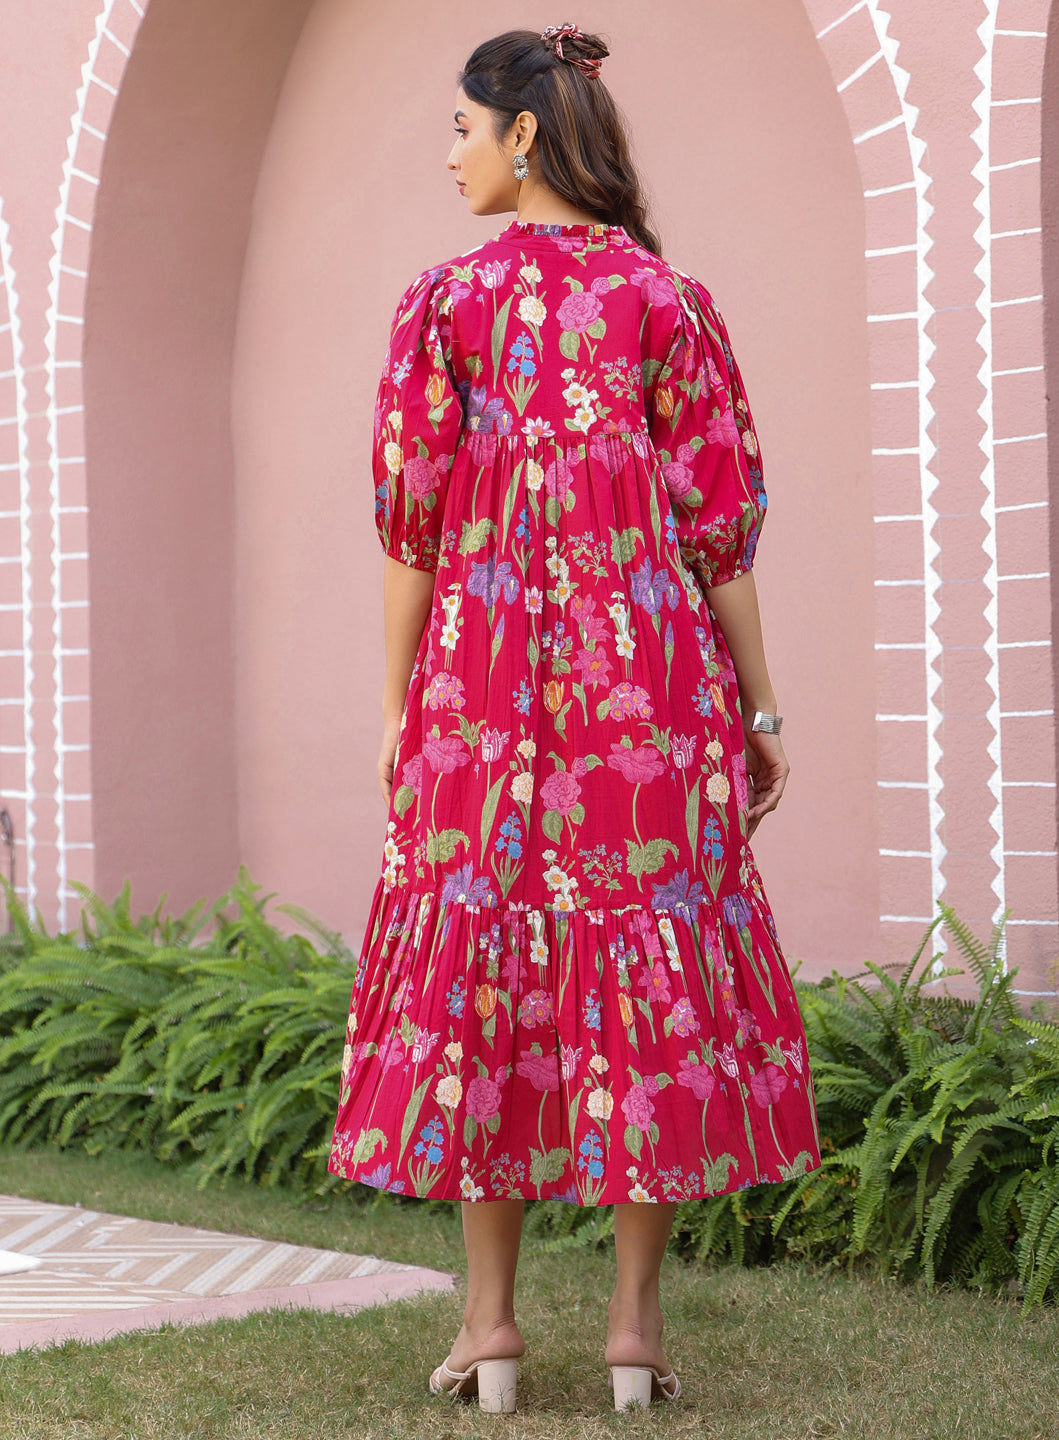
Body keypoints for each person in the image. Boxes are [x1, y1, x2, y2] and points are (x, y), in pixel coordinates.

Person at [328, 22, 822, 1415]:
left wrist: (394, 708)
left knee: (485, 975)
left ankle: (488, 1326)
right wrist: (761, 706)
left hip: (481, 695)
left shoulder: (442, 305)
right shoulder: (668, 301)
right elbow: (721, 532)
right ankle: (633, 1330)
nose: (448, 153)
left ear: (523, 134)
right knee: (642, 978)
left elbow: (410, 528)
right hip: (648, 694)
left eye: (461, 129)